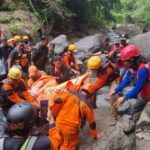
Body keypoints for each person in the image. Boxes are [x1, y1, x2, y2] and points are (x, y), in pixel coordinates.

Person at [110, 45, 150, 134]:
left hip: (147, 91)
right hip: (145, 90)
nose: (125, 64)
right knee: (137, 106)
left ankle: (132, 125)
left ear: (133, 59)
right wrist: (116, 90)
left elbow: (138, 87)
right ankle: (132, 125)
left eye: (126, 62)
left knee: (137, 106)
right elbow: (127, 80)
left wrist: (125, 97)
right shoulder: (132, 67)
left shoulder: (143, 69)